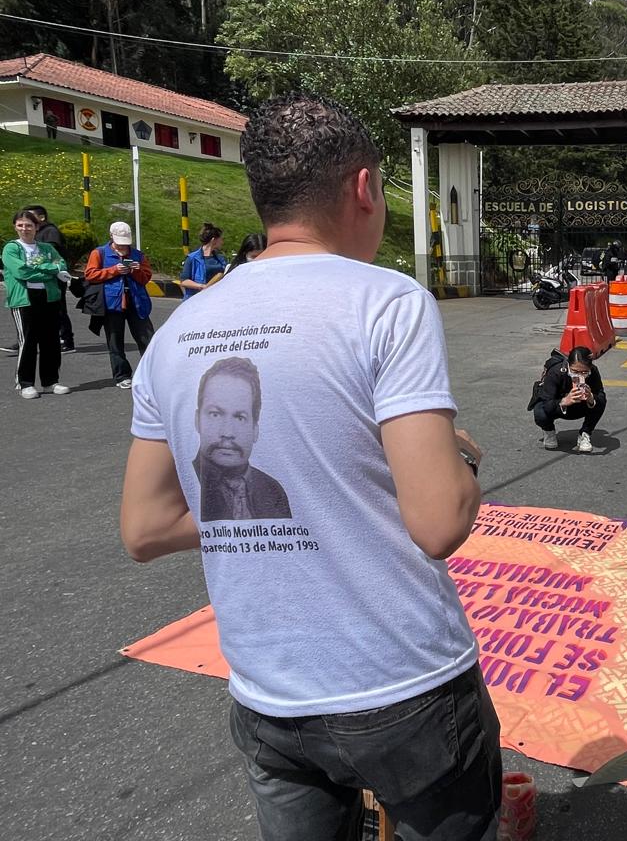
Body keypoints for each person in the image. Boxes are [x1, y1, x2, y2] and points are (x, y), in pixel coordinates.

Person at [119, 93, 499, 841]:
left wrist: (286, 505)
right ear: (362, 187)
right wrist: (455, 456)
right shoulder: (388, 302)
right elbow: (439, 521)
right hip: (405, 687)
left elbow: (145, 525)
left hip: (270, 697)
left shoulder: (180, 330)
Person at [194, 357, 292, 520]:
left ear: (255, 428)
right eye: (215, 414)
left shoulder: (272, 490)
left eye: (240, 417)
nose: (227, 432)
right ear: (197, 420)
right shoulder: (181, 485)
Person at [4, 209, 70, 398]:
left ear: (36, 227)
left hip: (48, 297)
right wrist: (50, 271)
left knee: (51, 340)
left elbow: (62, 265)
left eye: (29, 225)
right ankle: (25, 383)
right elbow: (21, 272)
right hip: (24, 299)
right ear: (15, 226)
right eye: (20, 225)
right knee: (28, 341)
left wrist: (46, 269)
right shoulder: (11, 248)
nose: (24, 229)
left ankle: (50, 381)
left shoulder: (46, 248)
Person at [82, 221, 154, 389]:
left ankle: (150, 374)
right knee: (115, 342)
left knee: (147, 339)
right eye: (120, 243)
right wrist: (115, 270)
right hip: (112, 303)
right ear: (111, 237)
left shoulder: (138, 255)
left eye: (125, 243)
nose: (123, 247)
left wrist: (135, 270)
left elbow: (145, 278)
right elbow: (90, 275)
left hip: (136, 301)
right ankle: (122, 375)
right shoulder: (99, 253)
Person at [534, 346, 606, 453]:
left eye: (584, 372)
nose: (579, 375)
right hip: (558, 407)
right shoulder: (556, 372)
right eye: (575, 371)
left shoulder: (593, 371)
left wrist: (591, 398)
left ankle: (585, 434)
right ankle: (549, 431)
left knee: (600, 402)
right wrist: (564, 401)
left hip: (581, 407)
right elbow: (547, 401)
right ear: (568, 364)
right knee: (540, 410)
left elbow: (601, 395)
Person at [28, 205, 76, 351]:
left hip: (54, 277)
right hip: (42, 278)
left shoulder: (50, 232)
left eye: (30, 217)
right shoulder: (37, 233)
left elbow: (50, 254)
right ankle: (29, 339)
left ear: (41, 218)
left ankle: (66, 340)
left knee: (58, 309)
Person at [179, 223, 226, 298]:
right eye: (221, 239)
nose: (222, 242)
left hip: (216, 297)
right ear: (213, 240)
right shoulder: (192, 258)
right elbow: (184, 281)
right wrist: (202, 287)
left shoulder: (221, 258)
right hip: (197, 298)